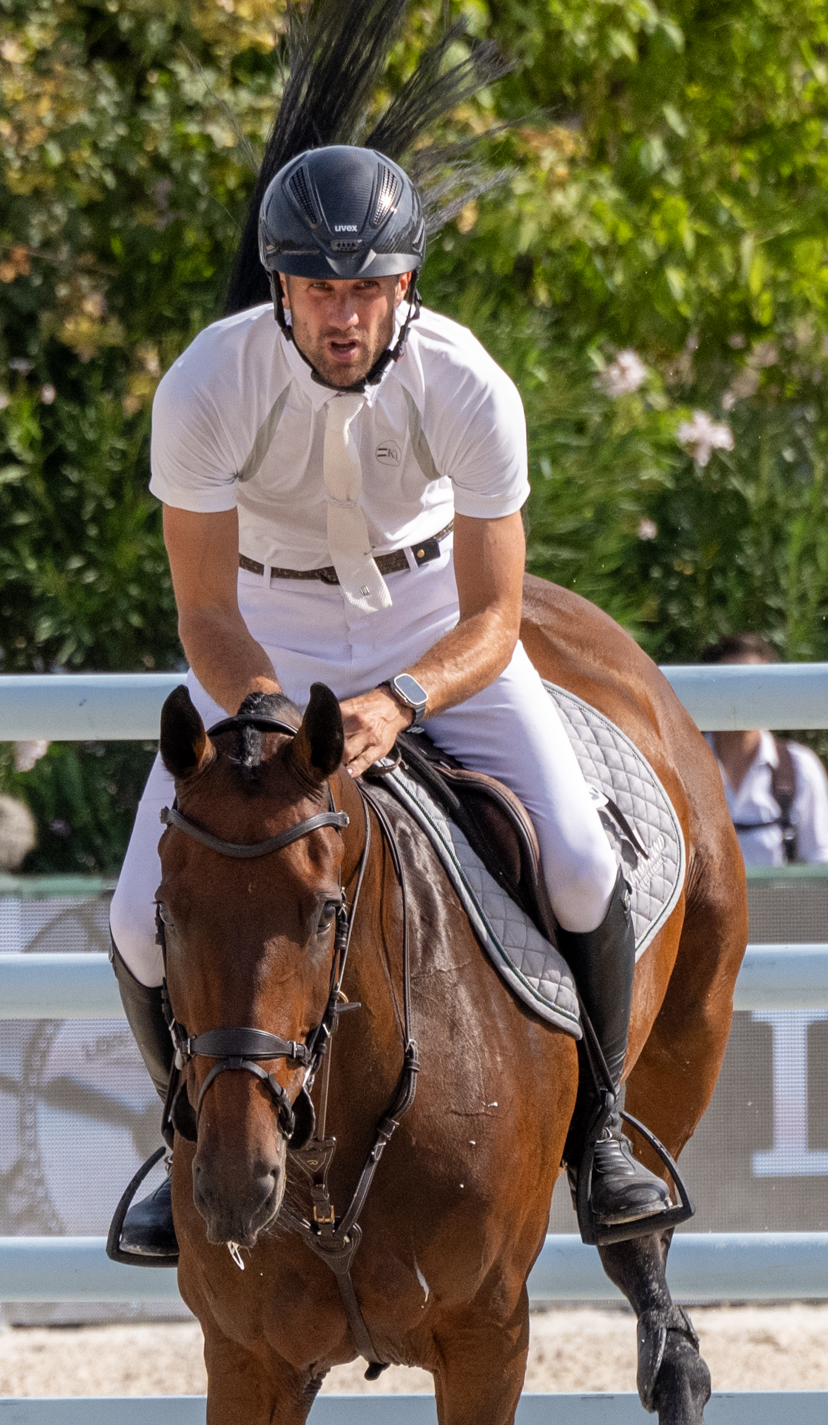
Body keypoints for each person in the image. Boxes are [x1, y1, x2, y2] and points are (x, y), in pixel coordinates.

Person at [107, 144, 677, 1261]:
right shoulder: (206, 385)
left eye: (366, 287)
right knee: (136, 918)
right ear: (282, 287)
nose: (343, 313)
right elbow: (203, 613)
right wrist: (276, 717)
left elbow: (497, 616)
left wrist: (402, 700)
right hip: (259, 638)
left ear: (405, 285)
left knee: (576, 860)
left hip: (433, 628)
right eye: (320, 288)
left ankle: (601, 1141)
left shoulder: (468, 385)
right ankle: (181, 1141)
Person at [703, 635, 828, 868]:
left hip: (784, 905)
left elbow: (826, 866)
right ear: (707, 691)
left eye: (756, 684)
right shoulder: (681, 768)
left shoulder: (799, 767)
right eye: (732, 683)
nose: (746, 695)